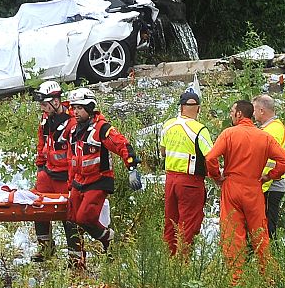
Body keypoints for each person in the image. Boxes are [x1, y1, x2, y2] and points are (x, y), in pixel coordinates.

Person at [205, 100, 285, 284]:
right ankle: (268, 277)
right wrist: (270, 176)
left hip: (232, 187)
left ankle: (235, 280)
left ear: (239, 114)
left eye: (231, 111)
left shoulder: (229, 134)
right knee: (260, 233)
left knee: (232, 233)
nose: (230, 114)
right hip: (254, 189)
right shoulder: (264, 137)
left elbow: (211, 158)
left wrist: (217, 177)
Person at [66, 88, 142, 268]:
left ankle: (111, 240)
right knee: (70, 219)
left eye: (80, 108)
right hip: (79, 181)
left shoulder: (102, 128)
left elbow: (122, 145)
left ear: (90, 108)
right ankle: (76, 261)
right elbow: (72, 159)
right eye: (74, 108)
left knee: (86, 218)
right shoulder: (75, 130)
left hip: (98, 180)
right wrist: (70, 185)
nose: (75, 112)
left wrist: (131, 168)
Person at [31, 81, 81, 264]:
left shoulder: (72, 123)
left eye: (45, 104)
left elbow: (74, 153)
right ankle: (46, 248)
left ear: (56, 101)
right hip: (48, 172)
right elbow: (41, 143)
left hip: (66, 175)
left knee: (69, 215)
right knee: (38, 208)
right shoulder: (46, 120)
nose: (43, 108)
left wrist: (73, 179)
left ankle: (76, 257)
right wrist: (40, 166)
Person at [159, 90, 213, 256]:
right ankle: (182, 263)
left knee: (171, 221)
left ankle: (169, 258)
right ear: (198, 109)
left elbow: (162, 152)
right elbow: (211, 156)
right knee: (188, 223)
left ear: (181, 107)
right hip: (190, 182)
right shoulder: (199, 129)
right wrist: (216, 177)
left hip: (170, 180)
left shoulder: (168, 125)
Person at [252, 94, 285, 239]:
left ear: (262, 110)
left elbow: (269, 162)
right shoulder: (274, 127)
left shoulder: (271, 131)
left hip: (270, 184)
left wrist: (260, 183)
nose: (253, 113)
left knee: (267, 227)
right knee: (267, 225)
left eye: (254, 109)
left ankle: (268, 256)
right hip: (272, 183)